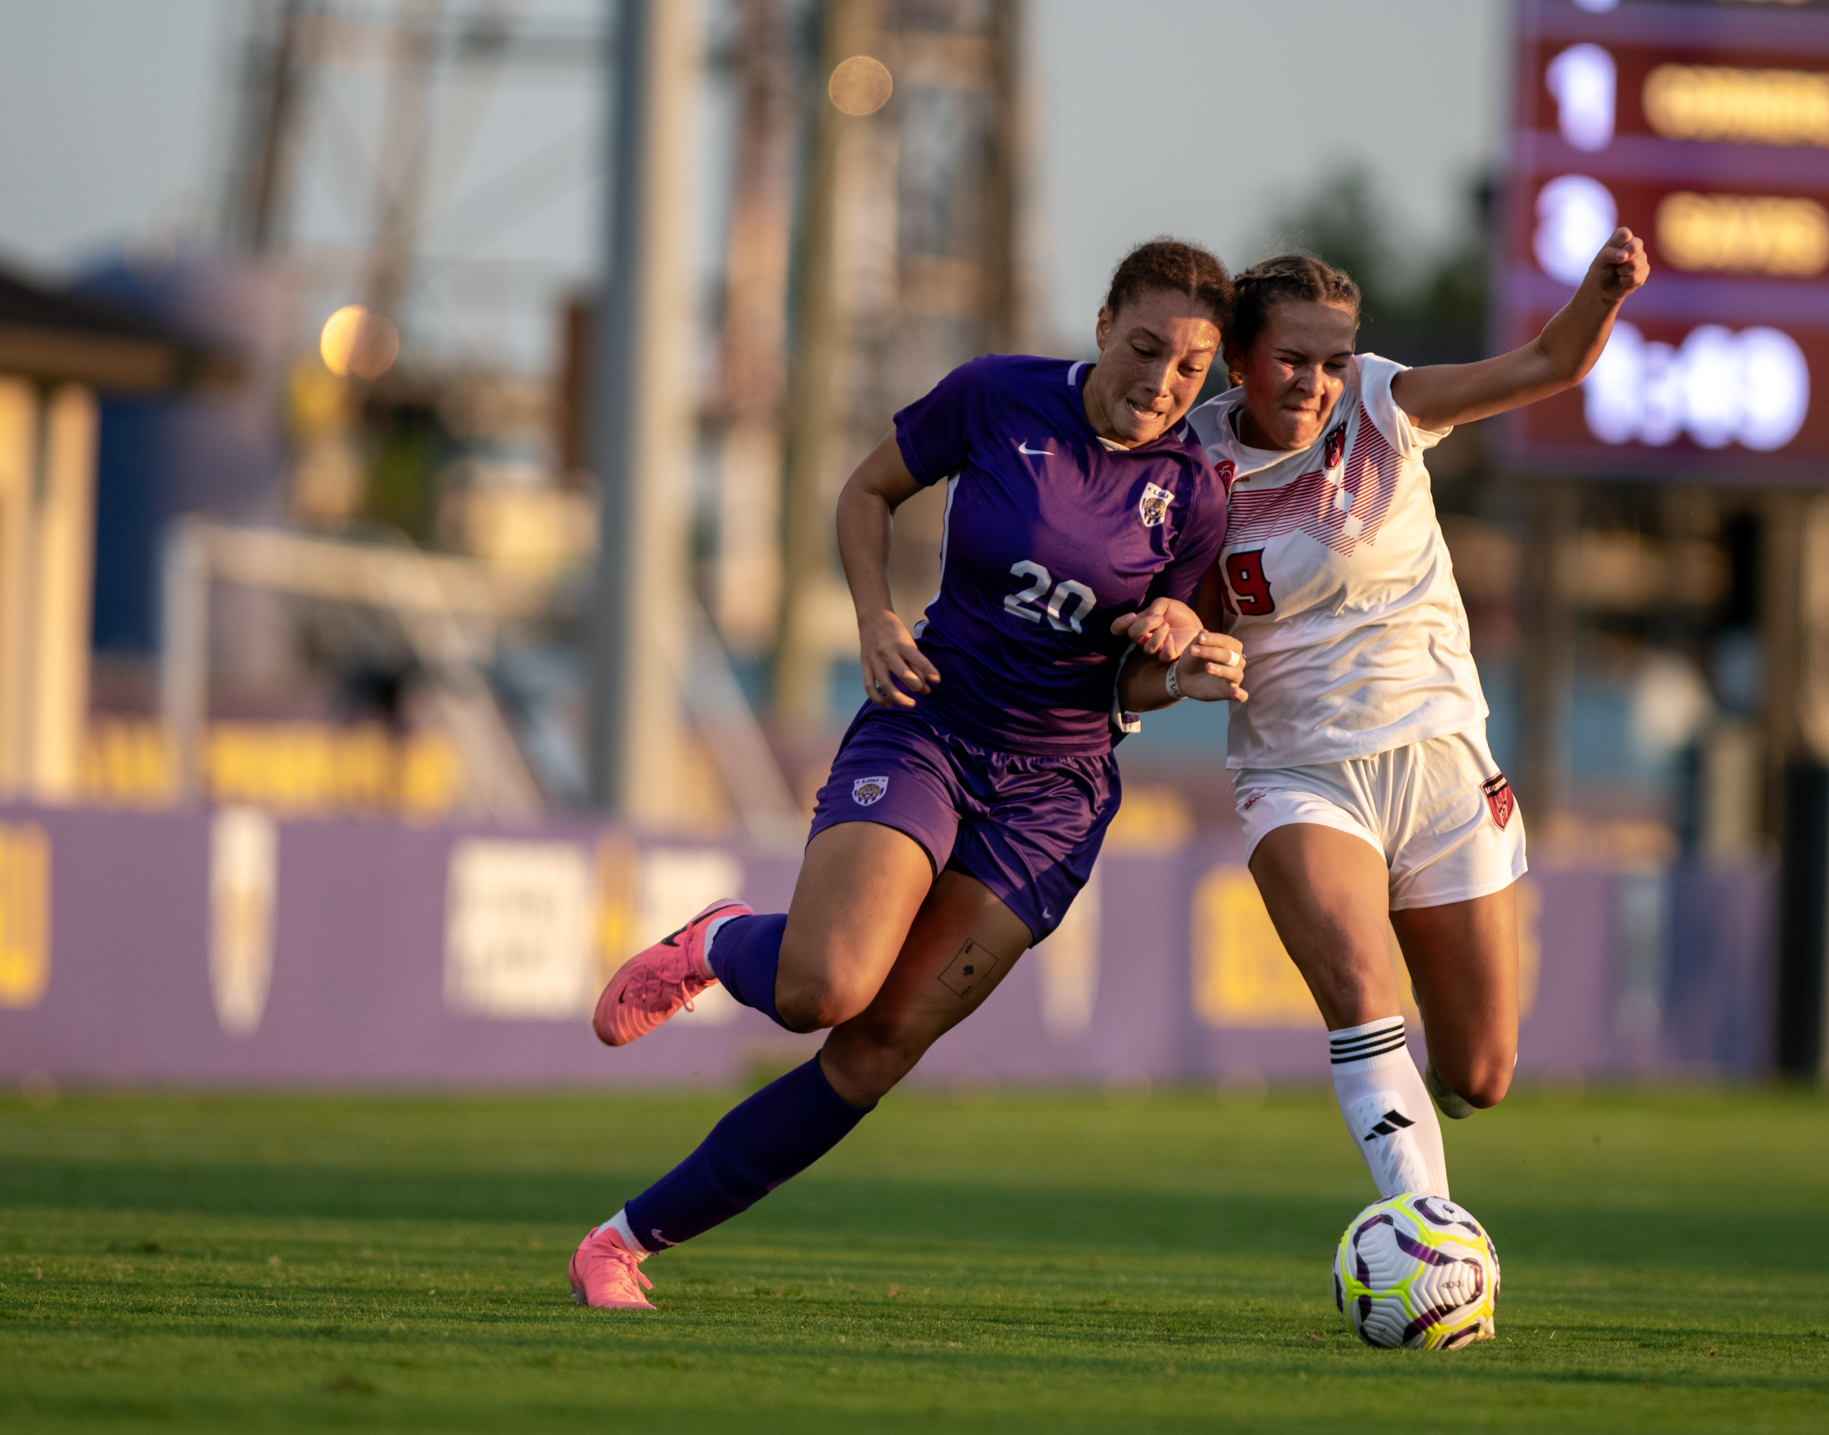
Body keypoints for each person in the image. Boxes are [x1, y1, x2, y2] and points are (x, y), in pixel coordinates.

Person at [566, 239, 1250, 1309]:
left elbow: (1140, 684)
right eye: (1145, 347)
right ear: (1105, 321)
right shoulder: (996, 396)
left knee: (876, 1049)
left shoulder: (1195, 497)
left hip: (1051, 798)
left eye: (1191, 371)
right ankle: (716, 940)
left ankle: (620, 1244)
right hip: (929, 724)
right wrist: (875, 619)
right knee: (821, 988)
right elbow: (864, 493)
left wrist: (1183, 656)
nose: (1160, 384)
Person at [1178, 228, 1650, 1202]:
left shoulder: (1382, 405)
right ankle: (1422, 1225)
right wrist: (1182, 639)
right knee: (1359, 989)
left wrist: (1601, 293)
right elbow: (1180, 604)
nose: (1315, 381)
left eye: (1331, 359)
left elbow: (1549, 362)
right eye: (1289, 360)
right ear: (1237, 361)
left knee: (1478, 1076)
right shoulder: (1188, 468)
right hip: (1297, 769)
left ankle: (1422, 1105)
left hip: (1438, 757)